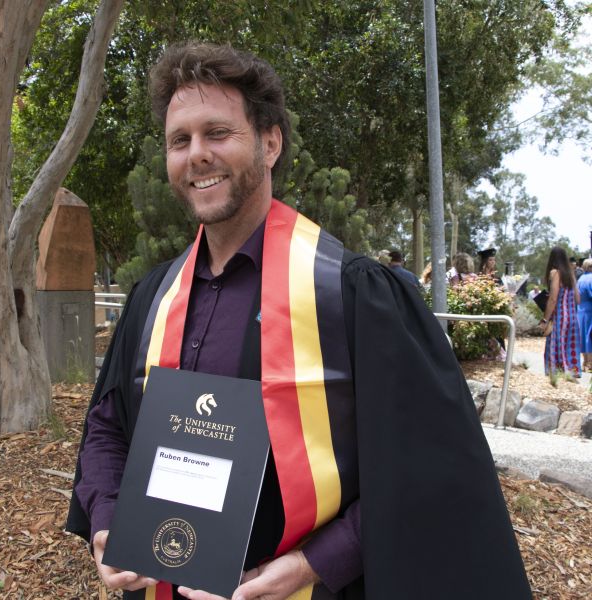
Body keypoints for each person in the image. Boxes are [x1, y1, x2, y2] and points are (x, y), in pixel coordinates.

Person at [66, 42, 532, 600]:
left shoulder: (350, 292)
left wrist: (314, 563)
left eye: (217, 133)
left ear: (269, 142)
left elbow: (428, 464)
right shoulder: (153, 296)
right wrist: (109, 517)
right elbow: (108, 425)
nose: (196, 155)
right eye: (179, 140)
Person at [539, 247, 581, 378]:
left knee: (555, 344)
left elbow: (553, 299)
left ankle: (555, 373)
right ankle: (571, 372)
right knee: (569, 345)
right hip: (572, 318)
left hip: (560, 317)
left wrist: (545, 320)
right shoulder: (570, 274)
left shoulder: (555, 273)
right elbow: (578, 299)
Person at [577, 258, 592, 372]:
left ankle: (585, 362)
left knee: (583, 336)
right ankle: (590, 363)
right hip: (590, 310)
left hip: (580, 310)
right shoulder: (591, 278)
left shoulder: (580, 278)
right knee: (589, 336)